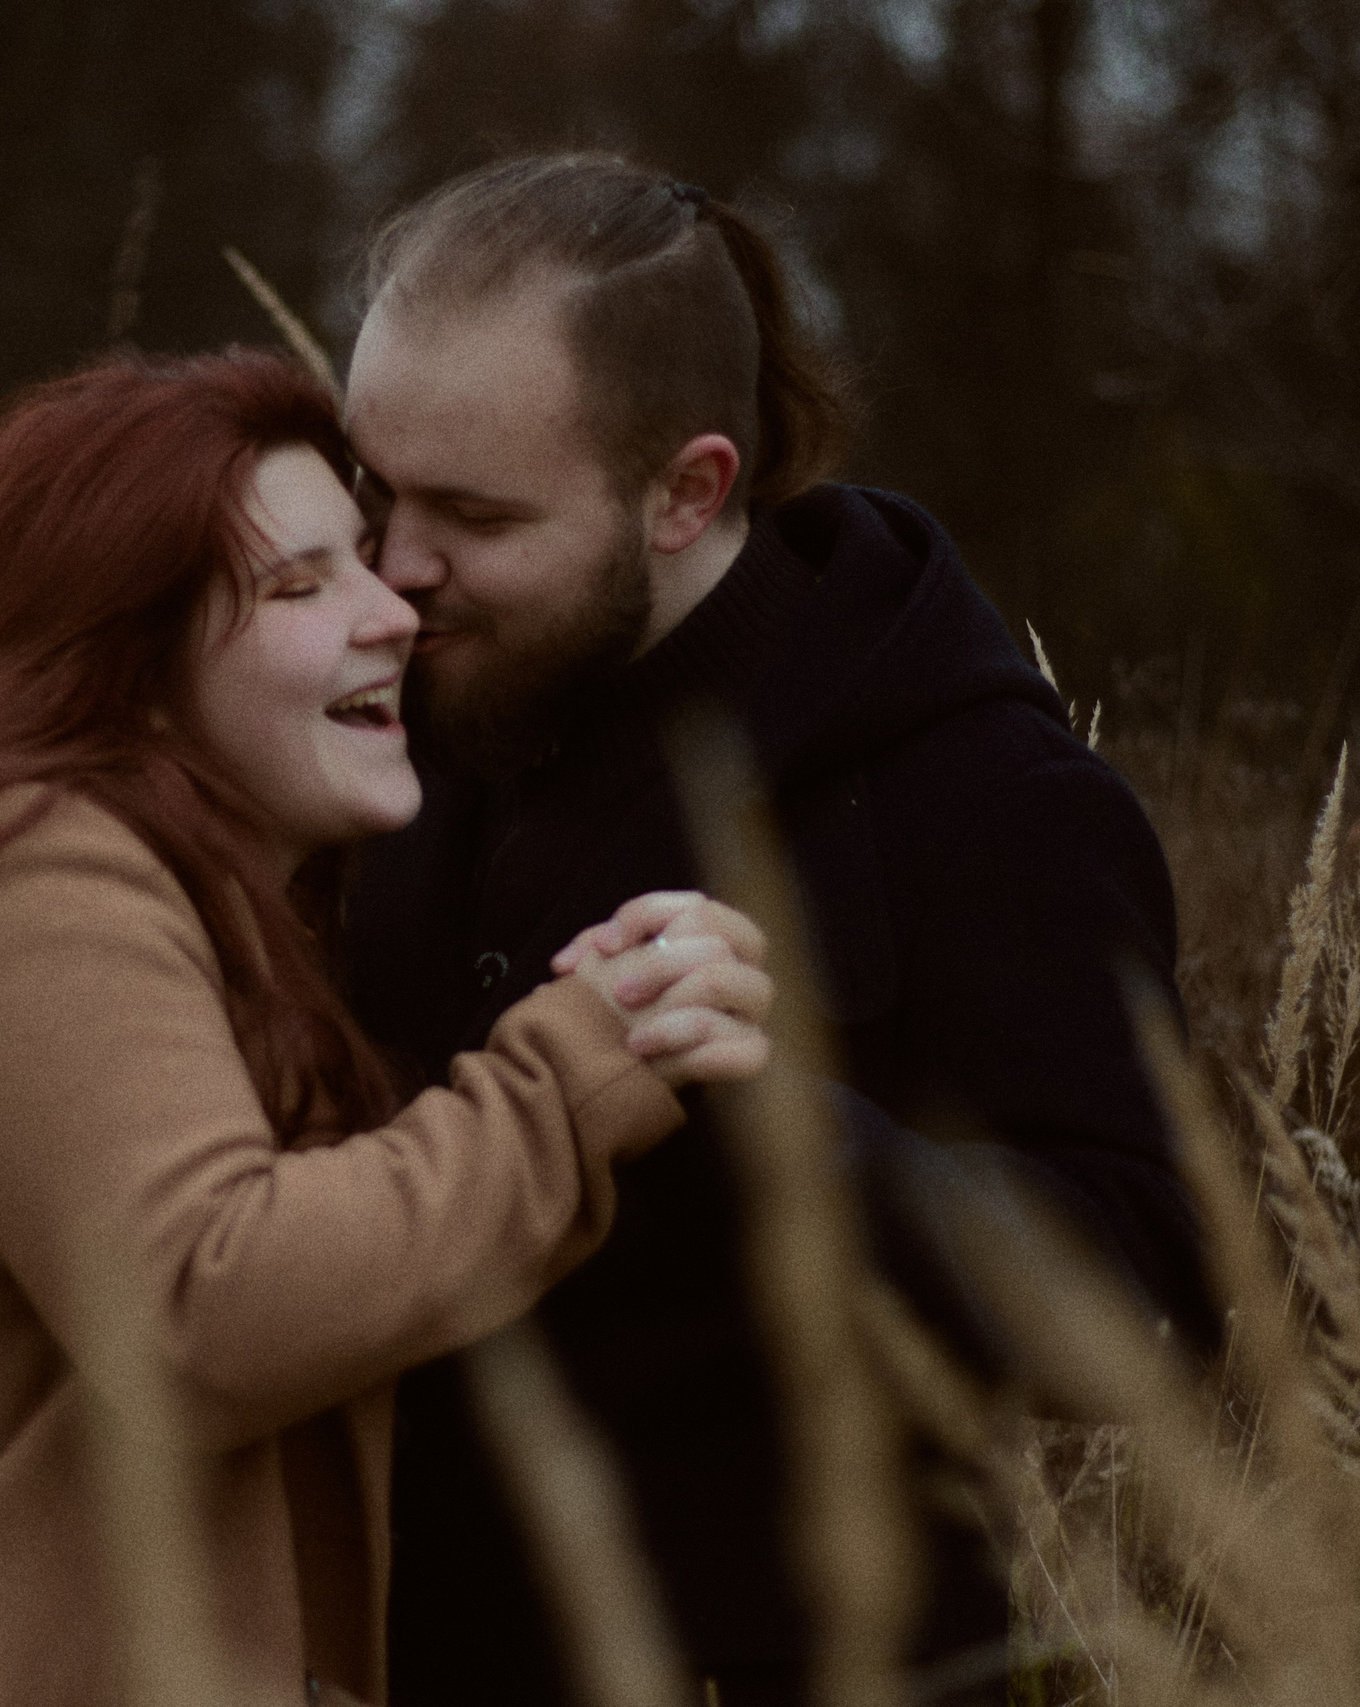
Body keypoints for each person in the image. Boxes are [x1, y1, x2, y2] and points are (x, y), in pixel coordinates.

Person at [0, 347, 776, 1707]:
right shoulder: (28, 880)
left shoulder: (210, 914)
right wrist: (576, 1067)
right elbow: (207, 1308)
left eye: (362, 556)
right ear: (130, 662)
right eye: (301, 583)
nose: (394, 606)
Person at [337, 153, 1217, 1705]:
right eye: (375, 489)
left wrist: (802, 1129)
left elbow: (1141, 1304)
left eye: (469, 514)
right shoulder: (368, 718)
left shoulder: (984, 795)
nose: (397, 571)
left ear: (689, 490)